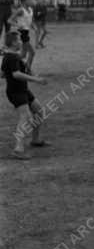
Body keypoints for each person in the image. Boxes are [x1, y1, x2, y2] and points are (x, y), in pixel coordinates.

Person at [3, 30, 48, 159]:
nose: (20, 42)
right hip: (16, 92)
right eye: (18, 40)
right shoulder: (11, 57)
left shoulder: (12, 56)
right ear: (12, 42)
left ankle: (35, 139)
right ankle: (18, 149)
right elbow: (16, 74)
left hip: (22, 90)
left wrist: (29, 66)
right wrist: (36, 80)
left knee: (39, 111)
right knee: (25, 116)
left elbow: (4, 72)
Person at [11, 0, 35, 74]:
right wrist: (18, 25)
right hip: (21, 33)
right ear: (25, 1)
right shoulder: (20, 10)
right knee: (32, 52)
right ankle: (28, 70)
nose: (32, 1)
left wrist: (33, 26)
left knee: (23, 55)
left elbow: (29, 20)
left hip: (26, 33)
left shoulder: (31, 9)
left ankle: (7, 68)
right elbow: (9, 20)